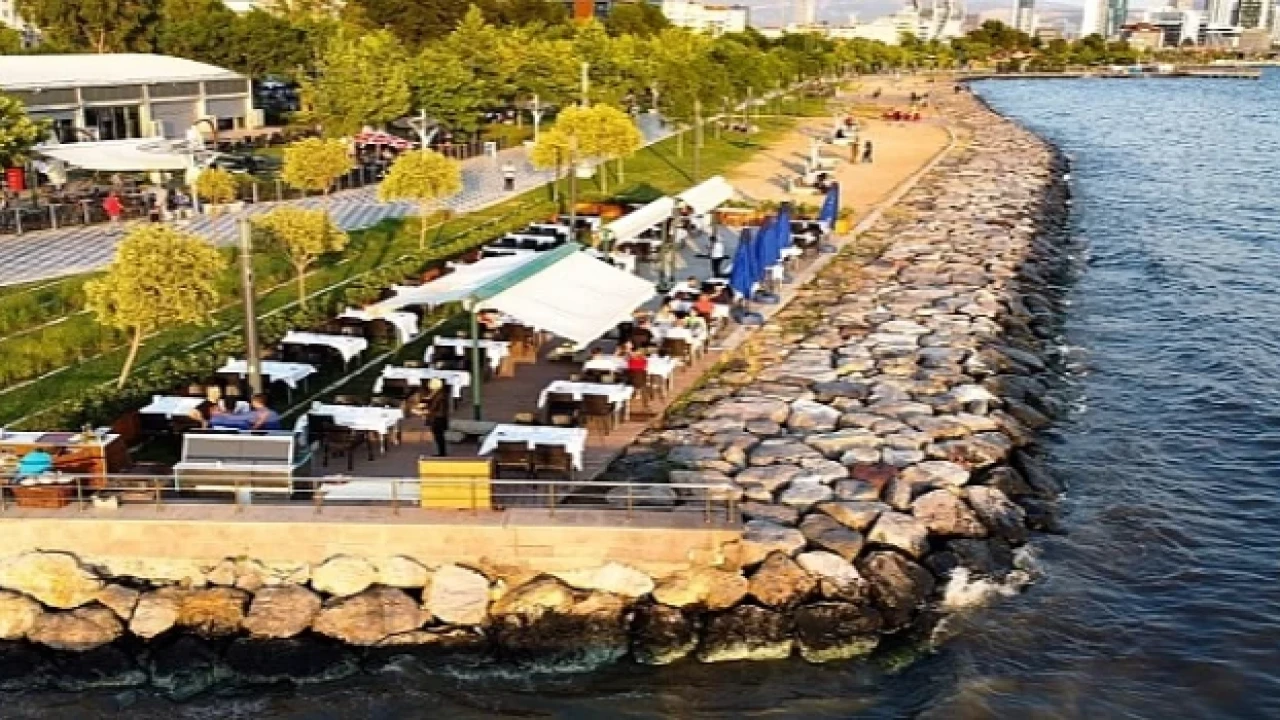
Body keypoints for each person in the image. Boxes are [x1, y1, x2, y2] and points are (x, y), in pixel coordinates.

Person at [423, 378, 450, 457]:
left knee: (439, 436)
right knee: (439, 436)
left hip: (437, 418)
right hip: (439, 417)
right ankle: (441, 452)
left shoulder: (438, 395)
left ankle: (442, 453)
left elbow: (434, 406)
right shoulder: (439, 394)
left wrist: (426, 410)